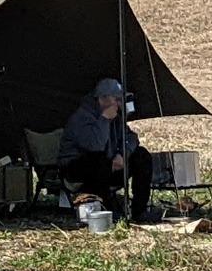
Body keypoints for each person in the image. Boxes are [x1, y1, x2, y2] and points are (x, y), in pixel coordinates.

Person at [57, 78, 152, 220]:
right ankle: (107, 210)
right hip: (77, 169)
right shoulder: (81, 117)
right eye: (117, 99)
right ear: (103, 99)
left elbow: (131, 138)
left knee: (141, 155)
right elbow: (95, 145)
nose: (120, 104)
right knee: (98, 159)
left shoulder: (117, 118)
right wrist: (104, 119)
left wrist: (122, 154)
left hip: (109, 165)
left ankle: (140, 210)